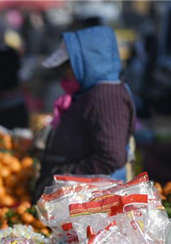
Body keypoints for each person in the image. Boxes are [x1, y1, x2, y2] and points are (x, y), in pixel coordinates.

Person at [33, 26, 136, 201]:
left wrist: (66, 176)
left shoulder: (106, 96)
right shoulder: (92, 92)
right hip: (75, 198)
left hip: (88, 202)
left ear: (88, 61)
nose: (65, 71)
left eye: (69, 64)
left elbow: (111, 156)